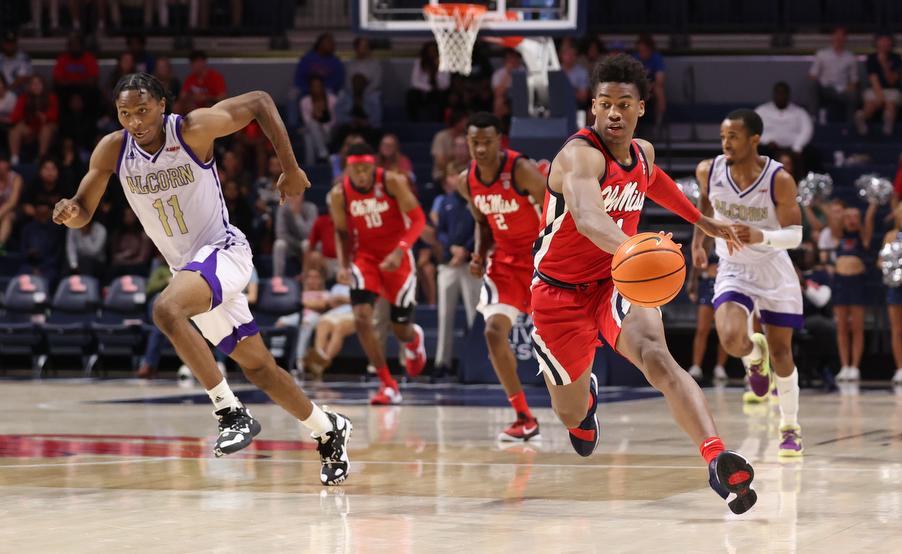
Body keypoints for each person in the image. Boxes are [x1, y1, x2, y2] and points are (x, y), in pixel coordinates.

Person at [51, 72, 352, 485]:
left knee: (166, 308)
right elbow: (84, 208)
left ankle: (230, 412)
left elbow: (261, 99)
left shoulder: (191, 130)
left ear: (162, 105)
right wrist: (70, 211)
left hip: (224, 252)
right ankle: (327, 428)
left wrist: (291, 168)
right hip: (189, 271)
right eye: (125, 113)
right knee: (260, 368)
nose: (135, 121)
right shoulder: (112, 150)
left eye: (143, 110)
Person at [532, 54, 756, 514]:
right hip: (559, 292)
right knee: (570, 413)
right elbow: (589, 217)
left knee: (657, 356)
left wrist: (702, 220)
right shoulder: (579, 157)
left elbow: (654, 184)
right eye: (605, 104)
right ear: (592, 107)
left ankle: (716, 456)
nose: (614, 113)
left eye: (624, 104)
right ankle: (585, 401)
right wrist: (635, 247)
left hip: (616, 282)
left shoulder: (643, 153)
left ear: (639, 109)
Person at [692, 108, 805, 458]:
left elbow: (796, 236)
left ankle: (790, 426)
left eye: (734, 136)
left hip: (773, 268)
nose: (726, 142)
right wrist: (699, 243)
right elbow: (705, 208)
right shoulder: (708, 171)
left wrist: (761, 235)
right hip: (733, 267)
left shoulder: (779, 179)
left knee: (784, 353)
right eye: (723, 136)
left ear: (754, 140)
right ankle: (756, 357)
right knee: (729, 338)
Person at [456, 112, 547, 442]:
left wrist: (554, 254)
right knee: (494, 333)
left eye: (487, 142)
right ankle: (523, 415)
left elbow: (554, 208)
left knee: (554, 342)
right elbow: (482, 222)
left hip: (540, 259)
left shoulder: (520, 169)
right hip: (505, 262)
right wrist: (480, 252)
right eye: (474, 142)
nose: (480, 149)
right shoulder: (465, 180)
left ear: (500, 141)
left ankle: (580, 401)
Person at [329, 143, 428, 405]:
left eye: (365, 169)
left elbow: (418, 220)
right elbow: (341, 233)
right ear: (348, 168)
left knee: (400, 330)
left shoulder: (392, 182)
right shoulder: (339, 194)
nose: (361, 174)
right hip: (366, 259)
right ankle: (388, 384)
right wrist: (342, 265)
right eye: (355, 169)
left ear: (374, 166)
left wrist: (400, 250)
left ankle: (414, 339)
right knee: (362, 317)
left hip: (399, 257)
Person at [432, 162, 480, 376]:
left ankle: (474, 362)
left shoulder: (476, 200)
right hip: (448, 262)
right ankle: (442, 362)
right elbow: (440, 230)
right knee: (445, 315)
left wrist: (465, 250)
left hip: (470, 263)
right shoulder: (445, 202)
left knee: (474, 315)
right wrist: (451, 247)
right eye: (451, 176)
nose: (455, 180)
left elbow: (482, 229)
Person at [829, 201, 877, 382]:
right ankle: (844, 366)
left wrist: (872, 205)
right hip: (841, 283)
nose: (851, 219)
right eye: (848, 216)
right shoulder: (838, 236)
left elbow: (870, 219)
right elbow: (831, 218)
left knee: (857, 327)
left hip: (857, 283)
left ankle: (855, 367)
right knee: (841, 327)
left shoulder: (863, 237)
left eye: (855, 216)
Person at [685, 248, 729, 382]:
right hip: (707, 284)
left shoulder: (731, 236)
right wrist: (692, 282)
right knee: (702, 329)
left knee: (724, 330)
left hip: (725, 284)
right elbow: (697, 262)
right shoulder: (705, 239)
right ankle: (696, 366)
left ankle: (720, 367)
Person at [755, 82, 815, 172]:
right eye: (778, 93)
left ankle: (804, 182)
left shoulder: (800, 112)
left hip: (793, 149)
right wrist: (766, 140)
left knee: (813, 154)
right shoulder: (761, 111)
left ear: (788, 95)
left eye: (784, 93)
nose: (781, 96)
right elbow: (754, 128)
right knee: (756, 151)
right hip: (769, 148)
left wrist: (797, 146)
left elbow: (807, 130)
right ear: (774, 94)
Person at [808, 26, 859, 124]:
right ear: (832, 37)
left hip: (841, 90)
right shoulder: (821, 54)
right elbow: (812, 74)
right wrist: (819, 81)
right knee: (812, 84)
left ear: (845, 38)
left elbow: (854, 79)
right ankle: (813, 118)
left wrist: (851, 86)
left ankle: (850, 125)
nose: (839, 38)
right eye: (837, 35)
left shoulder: (850, 57)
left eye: (842, 36)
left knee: (853, 94)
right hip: (825, 88)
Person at [856, 33, 902, 136]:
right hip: (875, 89)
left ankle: (888, 125)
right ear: (877, 43)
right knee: (870, 103)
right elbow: (873, 79)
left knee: (890, 104)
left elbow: (892, 81)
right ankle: (862, 118)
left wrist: (884, 65)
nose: (885, 43)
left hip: (891, 90)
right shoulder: (871, 59)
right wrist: (880, 96)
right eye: (882, 40)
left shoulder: (897, 58)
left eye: (887, 40)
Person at [8, 75, 59, 165]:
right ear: (29, 86)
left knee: (46, 129)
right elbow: (15, 116)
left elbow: (55, 115)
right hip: (29, 128)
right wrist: (24, 119)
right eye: (33, 84)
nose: (36, 86)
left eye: (38, 83)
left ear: (43, 85)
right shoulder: (24, 98)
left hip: (46, 128)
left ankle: (41, 157)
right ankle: (14, 158)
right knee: (15, 130)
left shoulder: (51, 97)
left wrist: (45, 116)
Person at [272, 194, 318, 278]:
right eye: (291, 195)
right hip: (291, 245)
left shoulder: (311, 208)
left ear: (302, 196)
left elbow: (310, 234)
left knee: (306, 244)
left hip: (306, 246)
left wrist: (296, 215)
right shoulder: (283, 209)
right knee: (279, 244)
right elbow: (280, 234)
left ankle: (306, 277)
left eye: (297, 194)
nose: (294, 198)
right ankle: (277, 278)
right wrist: (297, 243)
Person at [882, 204, 902, 386]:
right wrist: (891, 270)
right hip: (896, 287)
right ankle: (900, 368)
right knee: (896, 329)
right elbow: (880, 261)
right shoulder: (890, 236)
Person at [407, 41, 450, 122]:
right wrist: (428, 88)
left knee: (445, 97)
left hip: (438, 92)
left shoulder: (443, 62)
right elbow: (414, 82)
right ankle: (414, 121)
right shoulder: (419, 62)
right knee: (411, 95)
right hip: (422, 91)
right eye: (430, 51)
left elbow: (445, 84)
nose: (432, 53)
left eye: (434, 51)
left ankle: (440, 121)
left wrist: (438, 69)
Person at [633, 33, 666, 134]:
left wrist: (649, 87)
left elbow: (660, 79)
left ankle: (659, 123)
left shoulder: (657, 59)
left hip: (652, 89)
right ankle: (632, 128)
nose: (642, 53)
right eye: (640, 50)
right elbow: (632, 79)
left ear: (650, 49)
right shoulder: (635, 59)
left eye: (645, 50)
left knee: (659, 89)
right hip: (638, 90)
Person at [299, 76, 336, 164]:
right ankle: (322, 153)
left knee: (308, 137)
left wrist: (323, 123)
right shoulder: (305, 101)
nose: (316, 89)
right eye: (314, 86)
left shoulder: (332, 99)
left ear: (323, 86)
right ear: (310, 88)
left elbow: (335, 121)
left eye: (318, 86)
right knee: (309, 135)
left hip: (330, 132)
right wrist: (315, 115)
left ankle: (310, 167)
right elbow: (307, 122)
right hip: (313, 130)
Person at [0, 154, 23, 251]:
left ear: (7, 164)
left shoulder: (16, 178)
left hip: (12, 211)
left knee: (7, 217)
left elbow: (12, 202)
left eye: (1, 162)